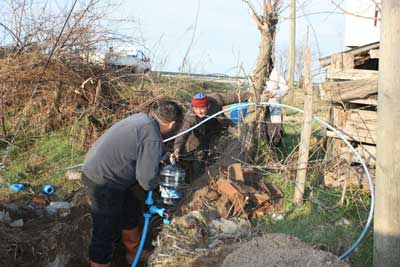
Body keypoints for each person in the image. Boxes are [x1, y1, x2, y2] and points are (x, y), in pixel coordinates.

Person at [82, 100, 183, 267]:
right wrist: (160, 178)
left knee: (129, 212)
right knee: (106, 231)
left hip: (104, 172)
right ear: (172, 124)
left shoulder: (142, 119)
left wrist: (161, 156)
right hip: (103, 182)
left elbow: (140, 147)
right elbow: (146, 181)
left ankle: (135, 254)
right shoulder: (153, 138)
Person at [173, 92, 250, 178]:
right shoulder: (191, 116)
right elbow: (183, 133)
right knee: (199, 155)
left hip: (217, 126)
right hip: (200, 133)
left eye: (202, 108)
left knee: (225, 145)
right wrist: (177, 148)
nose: (199, 111)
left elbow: (234, 97)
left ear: (208, 106)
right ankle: (197, 179)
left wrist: (250, 95)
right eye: (196, 108)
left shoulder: (216, 100)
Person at [263, 67, 289, 146]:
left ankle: (274, 150)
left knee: (275, 132)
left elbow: (285, 89)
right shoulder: (256, 71)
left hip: (274, 106)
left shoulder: (275, 73)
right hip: (260, 107)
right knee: (263, 129)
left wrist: (274, 93)